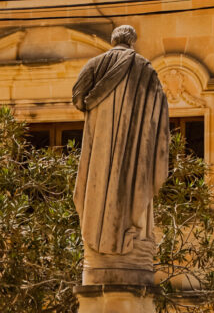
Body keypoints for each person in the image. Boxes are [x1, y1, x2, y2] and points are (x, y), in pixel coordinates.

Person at [72, 24, 169, 285]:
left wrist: (102, 109)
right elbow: (160, 109)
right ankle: (129, 241)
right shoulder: (145, 69)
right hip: (135, 151)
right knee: (132, 191)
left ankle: (100, 246)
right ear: (133, 42)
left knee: (96, 194)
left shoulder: (95, 65)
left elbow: (79, 98)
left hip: (100, 150)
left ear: (113, 40)